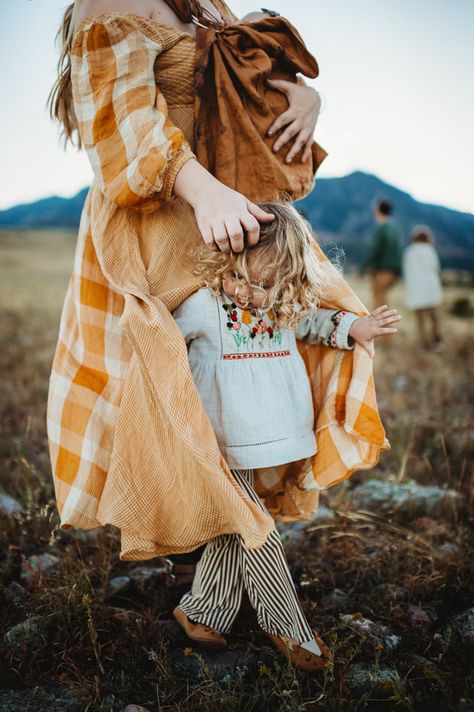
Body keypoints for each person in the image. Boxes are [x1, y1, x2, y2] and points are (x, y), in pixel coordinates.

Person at [46, 0, 392, 672]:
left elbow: (238, 91)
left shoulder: (204, 4)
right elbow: (123, 126)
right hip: (169, 230)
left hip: (241, 226)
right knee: (200, 426)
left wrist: (306, 98)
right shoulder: (110, 6)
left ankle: (204, 607)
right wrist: (202, 195)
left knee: (242, 423)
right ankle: (280, 616)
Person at [170, 201, 400, 669]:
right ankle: (284, 622)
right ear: (229, 260)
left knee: (236, 524)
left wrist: (355, 325)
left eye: (271, 283)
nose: (256, 293)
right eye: (247, 278)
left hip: (266, 429)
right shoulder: (203, 303)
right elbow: (162, 341)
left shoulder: (279, 303)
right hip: (219, 435)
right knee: (256, 526)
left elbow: (313, 323)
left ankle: (202, 613)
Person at [403, 225, 443, 349]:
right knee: (434, 316)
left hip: (416, 289)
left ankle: (424, 343)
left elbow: (407, 271)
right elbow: (436, 268)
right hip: (431, 287)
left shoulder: (409, 251)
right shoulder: (430, 250)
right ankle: (437, 340)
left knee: (420, 318)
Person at [362, 198, 403, 310]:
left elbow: (375, 250)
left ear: (378, 210)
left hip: (381, 270)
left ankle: (382, 327)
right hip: (393, 271)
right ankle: (386, 326)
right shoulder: (395, 226)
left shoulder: (381, 227)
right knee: (384, 300)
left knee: (378, 303)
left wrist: (362, 267)